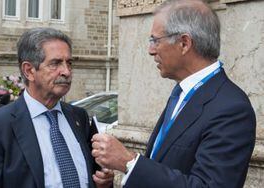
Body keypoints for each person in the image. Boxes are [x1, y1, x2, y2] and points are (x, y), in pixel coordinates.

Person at [91, 0, 256, 187]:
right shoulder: (182, 93)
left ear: (184, 43)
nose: (150, 50)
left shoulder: (231, 109)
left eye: (155, 40)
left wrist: (129, 162)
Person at [0, 27, 114, 188]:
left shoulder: (78, 117)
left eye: (69, 63)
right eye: (55, 63)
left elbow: (92, 175)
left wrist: (103, 182)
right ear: (29, 71)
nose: (66, 71)